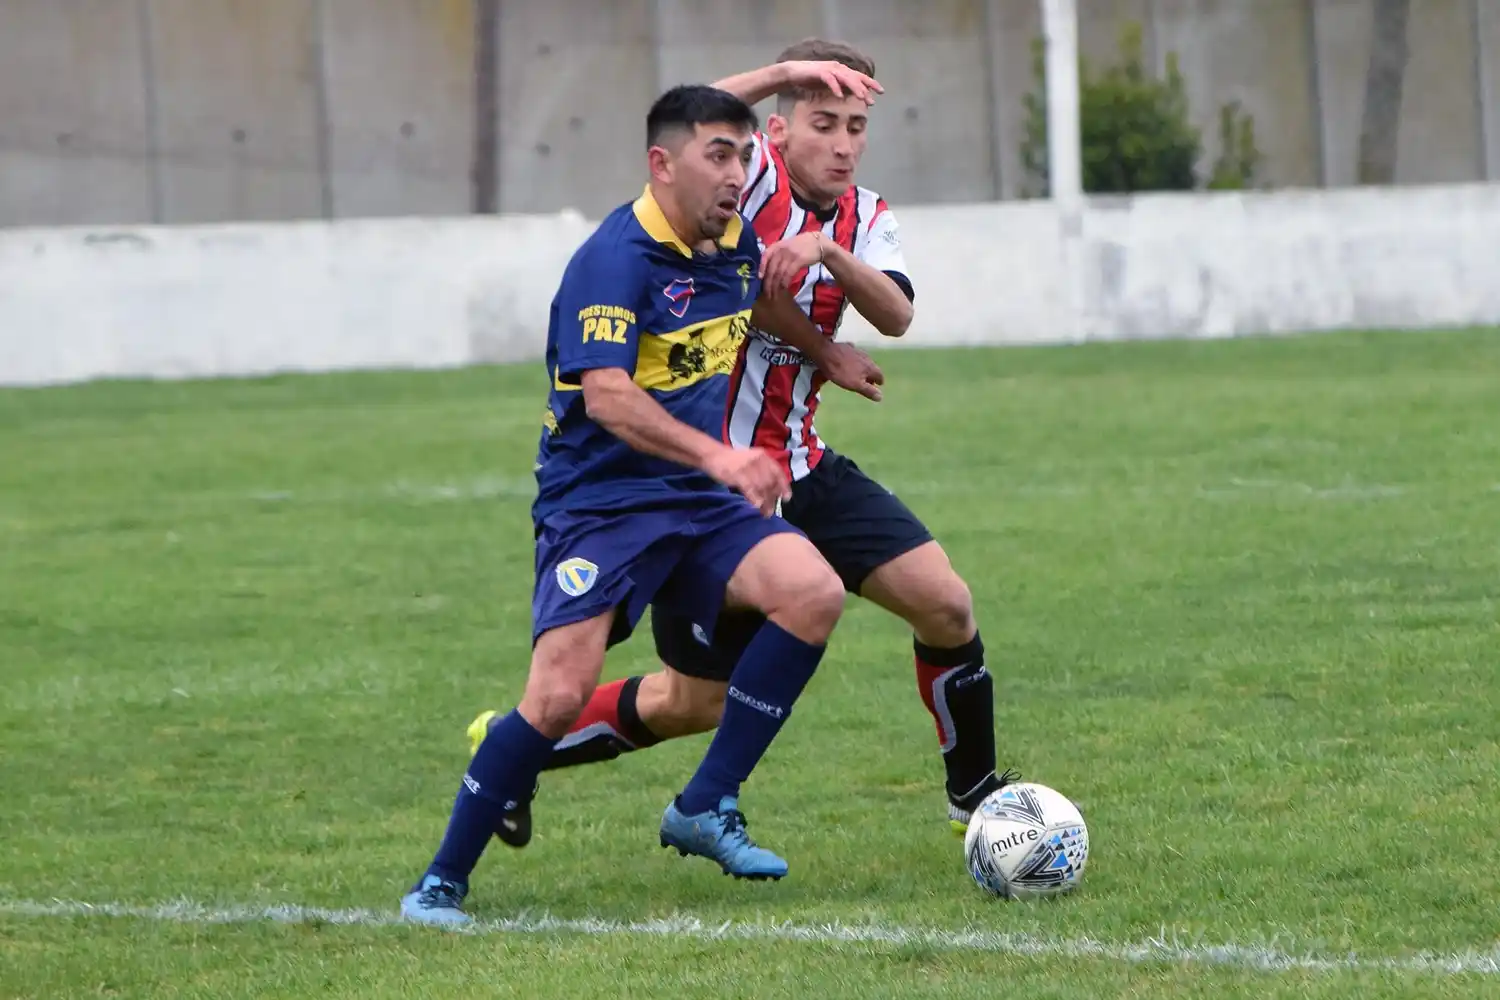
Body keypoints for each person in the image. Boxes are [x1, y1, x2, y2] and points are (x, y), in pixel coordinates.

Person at [469, 43, 1016, 849]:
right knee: (693, 702)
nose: (841, 143)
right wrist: (776, 76)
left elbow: (896, 314)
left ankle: (977, 798)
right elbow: (688, 120)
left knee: (947, 604)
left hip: (799, 459)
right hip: (711, 480)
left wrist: (829, 256)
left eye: (856, 127)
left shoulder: (867, 216)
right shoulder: (740, 178)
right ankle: (515, 750)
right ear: (780, 131)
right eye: (822, 121)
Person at [400, 83, 872, 926]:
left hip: (698, 498)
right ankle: (442, 880)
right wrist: (723, 455)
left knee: (813, 592)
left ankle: (706, 804)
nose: (737, 176)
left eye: (741, 157)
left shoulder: (727, 241)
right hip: (602, 504)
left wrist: (825, 351)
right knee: (553, 696)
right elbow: (610, 398)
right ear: (662, 164)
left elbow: (758, 302)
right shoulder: (612, 261)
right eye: (717, 156)